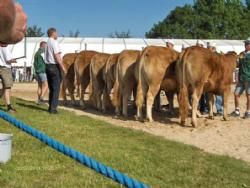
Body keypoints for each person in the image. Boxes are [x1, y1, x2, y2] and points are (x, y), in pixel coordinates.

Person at [45, 28, 66, 114]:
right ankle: (53, 109)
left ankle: (50, 107)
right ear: (53, 33)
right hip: (54, 66)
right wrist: (63, 67)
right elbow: (57, 55)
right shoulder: (54, 42)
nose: (57, 34)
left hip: (47, 66)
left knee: (51, 88)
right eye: (56, 33)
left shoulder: (47, 43)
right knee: (56, 88)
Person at [231, 38, 250, 119]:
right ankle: (237, 111)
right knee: (236, 94)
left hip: (249, 78)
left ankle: (248, 112)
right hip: (241, 78)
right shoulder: (242, 54)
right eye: (245, 43)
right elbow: (238, 65)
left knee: (248, 95)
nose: (245, 45)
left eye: (247, 43)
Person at [207, 42, 223, 115]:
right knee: (210, 95)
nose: (207, 48)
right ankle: (210, 110)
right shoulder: (207, 56)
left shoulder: (219, 56)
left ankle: (219, 110)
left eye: (208, 47)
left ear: (213, 48)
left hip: (217, 78)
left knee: (218, 95)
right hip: (210, 78)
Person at [0, 44, 17, 113]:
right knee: (7, 88)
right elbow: (8, 60)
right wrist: (13, 60)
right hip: (5, 68)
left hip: (1, 67)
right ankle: (9, 107)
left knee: (4, 87)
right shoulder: (5, 48)